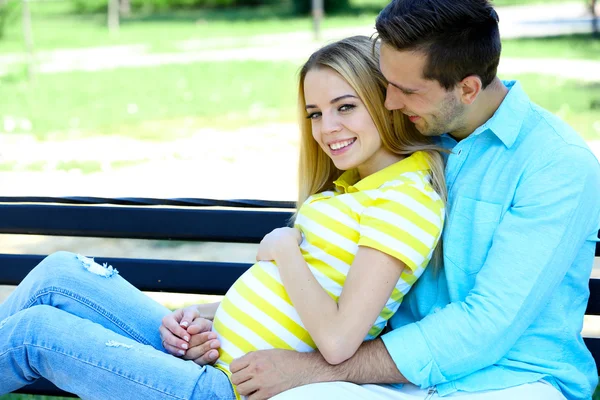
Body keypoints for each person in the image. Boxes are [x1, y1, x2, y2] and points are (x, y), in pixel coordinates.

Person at [187, 1, 599, 399]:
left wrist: (312, 368)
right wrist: (208, 319)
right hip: (391, 380)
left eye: (406, 90)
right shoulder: (410, 141)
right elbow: (331, 269)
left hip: (512, 382)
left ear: (468, 89)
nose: (388, 103)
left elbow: (487, 324)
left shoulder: (556, 164)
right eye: (386, 84)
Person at [0, 36, 446, 399]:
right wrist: (197, 317)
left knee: (37, 334)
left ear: (384, 100)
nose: (327, 127)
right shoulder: (354, 187)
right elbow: (284, 303)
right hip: (208, 356)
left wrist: (286, 250)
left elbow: (338, 340)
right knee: (60, 273)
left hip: (223, 389)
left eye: (344, 106)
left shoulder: (404, 198)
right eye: (315, 113)